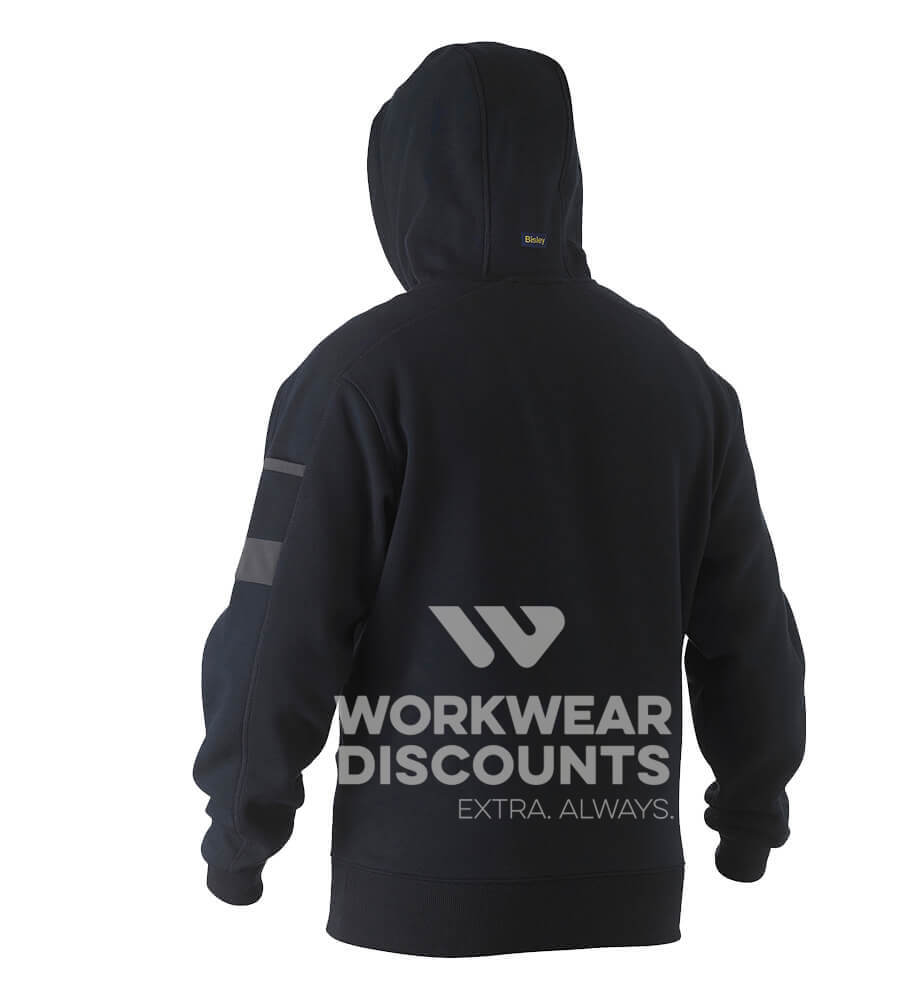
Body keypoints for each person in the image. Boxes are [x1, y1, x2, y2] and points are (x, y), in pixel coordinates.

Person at [194, 41, 806, 957]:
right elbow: (749, 632)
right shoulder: (684, 384)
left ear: (402, 184)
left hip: (417, 902)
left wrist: (239, 839)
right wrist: (751, 818)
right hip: (626, 891)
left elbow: (279, 628)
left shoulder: (357, 378)